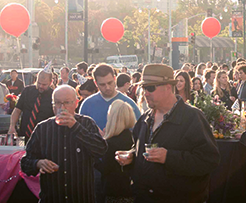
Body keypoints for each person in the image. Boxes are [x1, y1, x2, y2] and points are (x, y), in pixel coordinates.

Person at [115, 64, 221, 203]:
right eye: (143, 87)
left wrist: (168, 157)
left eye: (150, 88)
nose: (145, 93)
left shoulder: (192, 117)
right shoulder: (144, 119)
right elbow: (140, 149)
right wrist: (132, 156)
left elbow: (209, 160)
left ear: (168, 87)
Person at [20, 85, 107, 202]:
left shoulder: (87, 123)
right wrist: (38, 163)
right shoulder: (43, 128)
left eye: (67, 102)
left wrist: (75, 126)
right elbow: (25, 163)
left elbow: (101, 149)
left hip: (81, 198)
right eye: (57, 103)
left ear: (76, 103)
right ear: (52, 106)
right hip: (53, 197)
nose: (62, 107)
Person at [80, 64, 141, 131]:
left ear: (114, 79)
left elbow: (139, 131)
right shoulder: (87, 105)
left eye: (110, 83)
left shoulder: (129, 104)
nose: (107, 87)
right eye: (102, 84)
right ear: (96, 83)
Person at [98, 100, 136, 203]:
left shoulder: (111, 143)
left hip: (115, 193)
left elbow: (105, 169)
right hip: (132, 191)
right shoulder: (134, 138)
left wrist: (93, 157)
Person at [8, 71, 54, 141]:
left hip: (44, 136)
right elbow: (17, 110)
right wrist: (12, 126)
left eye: (44, 84)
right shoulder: (27, 91)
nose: (41, 86)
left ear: (50, 82)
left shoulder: (54, 95)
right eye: (39, 83)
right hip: (24, 134)